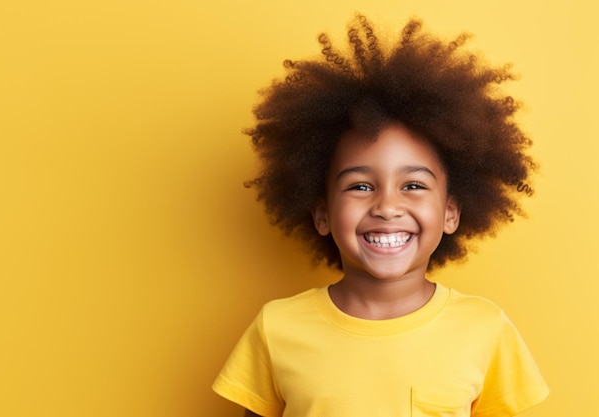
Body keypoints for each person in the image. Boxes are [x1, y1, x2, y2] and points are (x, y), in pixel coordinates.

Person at [213, 14, 549, 417]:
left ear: (451, 213)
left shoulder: (486, 329)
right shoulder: (276, 328)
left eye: (413, 185)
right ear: (322, 214)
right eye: (360, 186)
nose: (387, 207)